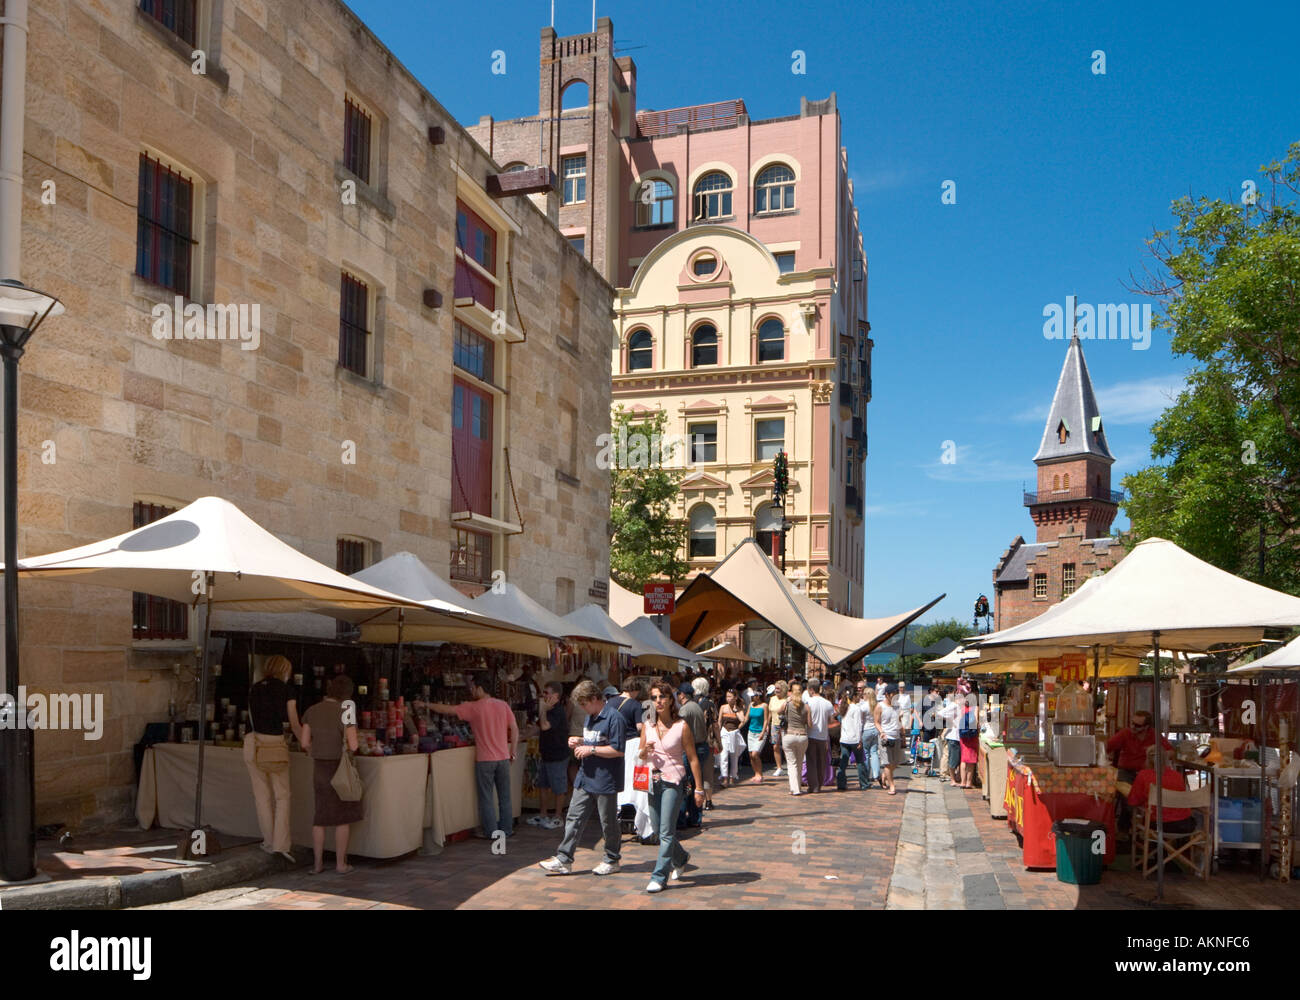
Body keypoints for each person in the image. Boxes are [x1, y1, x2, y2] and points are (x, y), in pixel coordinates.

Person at [539, 680, 629, 876]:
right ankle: (564, 858)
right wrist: (580, 741)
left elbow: (618, 749)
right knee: (574, 816)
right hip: (586, 777)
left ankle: (612, 858)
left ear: (595, 699)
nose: (582, 708)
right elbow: (593, 740)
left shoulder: (614, 718)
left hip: (606, 779)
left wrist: (591, 749)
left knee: (608, 822)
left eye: (584, 703)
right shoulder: (591, 717)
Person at [429, 672, 518, 838]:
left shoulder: (474, 707)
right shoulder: (503, 705)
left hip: (485, 760)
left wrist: (426, 704)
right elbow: (514, 728)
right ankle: (507, 829)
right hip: (503, 758)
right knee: (505, 797)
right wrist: (513, 750)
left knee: (486, 798)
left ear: (479, 688)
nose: (471, 691)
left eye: (473, 688)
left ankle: (492, 832)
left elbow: (447, 710)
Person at [640, 679, 706, 893]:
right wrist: (645, 752)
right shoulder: (648, 726)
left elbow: (693, 758)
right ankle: (681, 857)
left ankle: (659, 876)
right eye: (654, 697)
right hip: (653, 781)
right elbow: (640, 755)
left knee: (667, 831)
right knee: (659, 830)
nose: (658, 701)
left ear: (670, 700)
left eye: (662, 697)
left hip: (673, 782)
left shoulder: (681, 726)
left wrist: (699, 788)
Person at [300, 674, 362, 874]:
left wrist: (316, 749)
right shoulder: (347, 711)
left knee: (320, 817)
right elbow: (353, 745)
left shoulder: (312, 710)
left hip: (319, 768)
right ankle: (340, 864)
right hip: (339, 768)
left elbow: (304, 743)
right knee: (341, 817)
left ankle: (317, 865)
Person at [243, 654, 301, 862]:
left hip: (251, 742)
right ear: (285, 670)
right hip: (273, 744)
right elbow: (294, 723)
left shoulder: (255, 688)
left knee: (261, 796)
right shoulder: (287, 690)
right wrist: (306, 742)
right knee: (282, 795)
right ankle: (281, 844)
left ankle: (268, 842)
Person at [1129, 745, 1198, 834]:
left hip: (1158, 825)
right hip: (1184, 824)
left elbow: (1133, 801)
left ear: (1148, 759)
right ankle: (1180, 847)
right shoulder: (1177, 776)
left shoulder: (1143, 775)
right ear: (1166, 758)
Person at [529, 681, 568, 830]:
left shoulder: (558, 711)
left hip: (558, 754)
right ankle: (543, 814)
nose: (543, 695)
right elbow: (537, 727)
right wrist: (519, 737)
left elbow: (544, 726)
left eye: (546, 693)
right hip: (546, 753)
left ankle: (558, 817)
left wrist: (543, 709)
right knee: (543, 786)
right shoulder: (549, 710)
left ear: (555, 695)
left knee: (559, 787)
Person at [691, 676, 720, 810]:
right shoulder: (709, 703)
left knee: (694, 771)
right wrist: (719, 742)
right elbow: (715, 725)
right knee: (708, 772)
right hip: (707, 741)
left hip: (691, 742)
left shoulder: (690, 703)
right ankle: (708, 801)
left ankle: (694, 800)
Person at [836, 684, 870, 791]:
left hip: (844, 739)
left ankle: (841, 783)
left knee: (844, 762)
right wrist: (860, 739)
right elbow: (858, 725)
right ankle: (864, 783)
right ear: (854, 696)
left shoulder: (843, 708)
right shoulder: (856, 709)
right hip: (854, 739)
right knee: (860, 762)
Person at [803, 678, 835, 793]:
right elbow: (831, 720)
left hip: (811, 735)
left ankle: (813, 786)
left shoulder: (808, 703)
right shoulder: (827, 703)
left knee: (811, 762)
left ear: (811, 690)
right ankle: (819, 784)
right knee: (821, 762)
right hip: (823, 736)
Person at [781, 681, 809, 795]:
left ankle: (795, 789)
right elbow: (809, 723)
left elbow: (779, 711)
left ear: (791, 692)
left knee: (791, 764)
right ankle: (798, 787)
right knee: (799, 762)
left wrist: (787, 700)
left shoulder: (787, 703)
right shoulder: (806, 706)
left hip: (790, 735)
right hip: (802, 736)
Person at [875, 684, 901, 794]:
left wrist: (903, 735)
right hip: (885, 737)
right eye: (893, 694)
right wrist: (881, 732)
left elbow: (899, 721)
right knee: (888, 763)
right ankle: (892, 786)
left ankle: (884, 776)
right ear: (887, 694)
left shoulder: (897, 706)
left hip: (896, 736)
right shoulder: (880, 706)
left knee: (895, 763)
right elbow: (876, 722)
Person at [717, 688, 745, 786]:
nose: (728, 699)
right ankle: (724, 778)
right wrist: (718, 732)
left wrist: (736, 711)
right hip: (724, 732)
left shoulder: (739, 708)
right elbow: (719, 721)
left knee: (734, 756)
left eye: (730, 696)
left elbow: (743, 720)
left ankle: (732, 777)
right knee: (723, 755)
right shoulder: (723, 707)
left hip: (734, 733)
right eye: (727, 696)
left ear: (735, 697)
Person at [744, 686, 768, 783]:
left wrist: (763, 732)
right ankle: (756, 773)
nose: (753, 697)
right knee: (751, 755)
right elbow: (746, 718)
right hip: (751, 732)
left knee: (755, 754)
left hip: (760, 732)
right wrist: (739, 725)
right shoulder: (751, 705)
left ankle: (760, 774)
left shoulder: (764, 706)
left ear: (758, 696)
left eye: (754, 696)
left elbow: (766, 720)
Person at [938, 689, 962, 784]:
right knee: (950, 757)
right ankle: (947, 776)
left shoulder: (958, 706)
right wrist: (950, 721)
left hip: (955, 735)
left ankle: (950, 775)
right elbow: (940, 713)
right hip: (952, 735)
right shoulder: (954, 705)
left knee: (952, 756)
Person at [860, 687, 881, 787]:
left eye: (864, 694)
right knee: (874, 752)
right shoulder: (877, 705)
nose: (862, 696)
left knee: (866, 753)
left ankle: (867, 774)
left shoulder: (863, 706)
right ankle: (876, 774)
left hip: (866, 729)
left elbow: (861, 720)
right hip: (875, 729)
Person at [768, 682, 788, 777]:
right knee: (775, 746)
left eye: (778, 688)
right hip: (774, 724)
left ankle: (789, 765)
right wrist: (767, 724)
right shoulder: (772, 699)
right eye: (775, 688)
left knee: (786, 746)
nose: (776, 690)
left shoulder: (786, 700)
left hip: (784, 724)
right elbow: (769, 713)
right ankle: (779, 767)